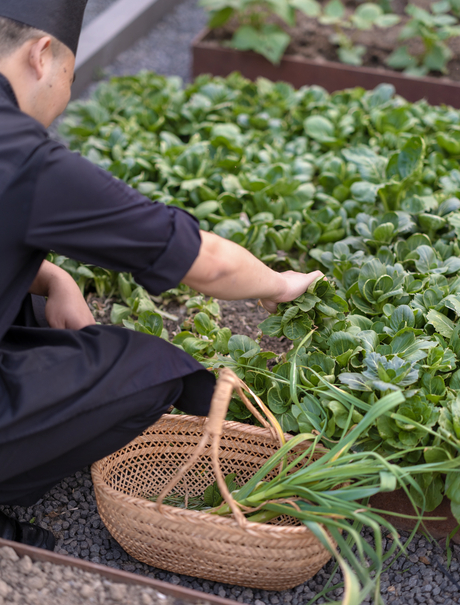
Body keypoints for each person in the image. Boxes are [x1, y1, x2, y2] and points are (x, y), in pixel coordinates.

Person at [0, 0, 323, 551]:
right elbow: (208, 262)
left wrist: (55, 279)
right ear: (42, 54)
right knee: (151, 368)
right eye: (70, 79)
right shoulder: (19, 155)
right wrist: (280, 282)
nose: (65, 99)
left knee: (30, 309)